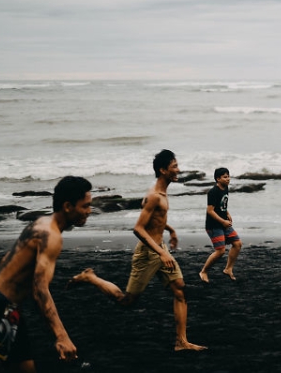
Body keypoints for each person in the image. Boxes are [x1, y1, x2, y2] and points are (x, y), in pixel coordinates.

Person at [68, 150, 206, 351]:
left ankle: (181, 342)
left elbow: (154, 221)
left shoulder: (161, 193)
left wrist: (170, 230)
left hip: (160, 248)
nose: (178, 170)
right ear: (162, 170)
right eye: (174, 166)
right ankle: (91, 277)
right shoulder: (154, 196)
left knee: (179, 290)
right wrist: (161, 253)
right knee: (126, 301)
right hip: (149, 253)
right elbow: (138, 228)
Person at [0, 176, 92, 372]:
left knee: (25, 366)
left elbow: (5, 260)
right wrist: (61, 336)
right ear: (68, 206)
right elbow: (40, 289)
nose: (89, 211)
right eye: (85, 206)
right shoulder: (52, 236)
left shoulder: (41, 223)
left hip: (8, 307)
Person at [199, 167, 242, 283]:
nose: (228, 179)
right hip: (213, 225)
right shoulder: (213, 192)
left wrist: (227, 213)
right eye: (225, 177)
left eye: (228, 176)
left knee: (237, 244)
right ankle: (204, 271)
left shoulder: (225, 188)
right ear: (218, 179)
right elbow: (210, 210)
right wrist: (223, 221)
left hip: (223, 223)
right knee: (220, 251)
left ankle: (228, 269)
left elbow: (222, 204)